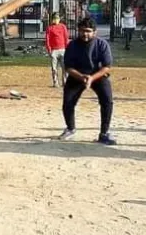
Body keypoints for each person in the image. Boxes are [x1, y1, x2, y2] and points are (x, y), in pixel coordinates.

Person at [58, 17, 116, 145]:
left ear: (95, 32)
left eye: (88, 31)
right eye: (82, 31)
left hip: (98, 75)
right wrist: (81, 77)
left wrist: (91, 78)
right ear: (78, 31)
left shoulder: (102, 44)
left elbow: (107, 66)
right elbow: (68, 67)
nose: (85, 34)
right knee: (68, 102)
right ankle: (70, 128)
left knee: (107, 101)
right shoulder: (72, 45)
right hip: (77, 75)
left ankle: (104, 133)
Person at [45, 13, 69, 87]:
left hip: (62, 49)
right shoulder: (50, 28)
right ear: (52, 19)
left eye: (57, 18)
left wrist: (67, 49)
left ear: (59, 19)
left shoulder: (63, 27)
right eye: (54, 18)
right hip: (54, 51)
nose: (56, 20)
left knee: (64, 67)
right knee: (54, 68)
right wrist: (49, 49)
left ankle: (65, 82)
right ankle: (55, 82)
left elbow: (66, 38)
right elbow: (47, 39)